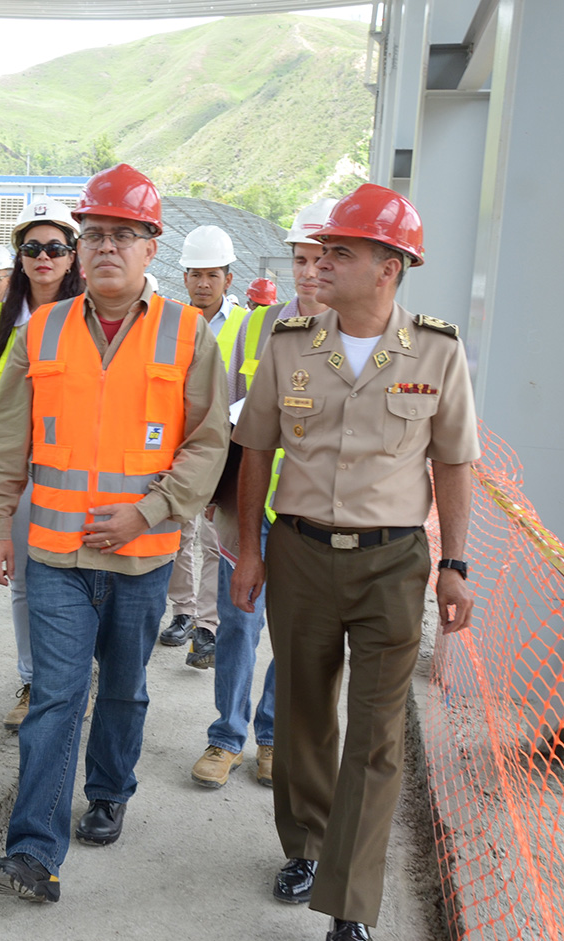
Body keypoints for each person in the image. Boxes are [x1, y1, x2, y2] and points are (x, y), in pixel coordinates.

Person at [230, 183, 478, 941]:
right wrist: (248, 549)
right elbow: (257, 449)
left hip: (393, 565)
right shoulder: (291, 340)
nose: (321, 263)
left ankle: (351, 905)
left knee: (375, 737)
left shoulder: (437, 350)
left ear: (390, 267)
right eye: (323, 250)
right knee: (305, 710)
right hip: (300, 551)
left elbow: (454, 461)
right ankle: (304, 843)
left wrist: (455, 564)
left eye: (341, 251)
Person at [0, 165, 230, 903]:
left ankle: (112, 786)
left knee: (122, 687)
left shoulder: (188, 332)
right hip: (53, 556)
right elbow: (6, 436)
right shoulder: (43, 330)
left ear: (153, 247)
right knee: (56, 694)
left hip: (141, 557)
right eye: (96, 235)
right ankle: (32, 851)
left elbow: (208, 442)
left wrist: (148, 511)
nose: (105, 247)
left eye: (124, 234)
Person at [187, 203, 339, 791]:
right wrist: (210, 489)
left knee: (296, 634)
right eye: (300, 259)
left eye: (320, 260)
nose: (308, 272)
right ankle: (226, 737)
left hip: (314, 517)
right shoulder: (252, 327)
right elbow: (214, 419)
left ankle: (272, 737)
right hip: (249, 512)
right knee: (237, 625)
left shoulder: (356, 338)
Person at [0, 195, 85, 731]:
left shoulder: (90, 313)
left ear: (73, 255)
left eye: (56, 246)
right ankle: (34, 680)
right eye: (32, 247)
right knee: (25, 582)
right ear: (20, 256)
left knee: (82, 577)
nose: (43, 257)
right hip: (19, 470)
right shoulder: (3, 318)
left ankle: (75, 675)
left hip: (78, 467)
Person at [157, 225, 240, 655]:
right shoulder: (172, 323)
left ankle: (206, 624)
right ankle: (184, 611)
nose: (203, 283)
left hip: (228, 449)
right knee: (177, 532)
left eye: (213, 275)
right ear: (185, 277)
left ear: (228, 278)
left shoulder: (245, 324)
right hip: (178, 446)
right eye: (195, 274)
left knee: (211, 539)